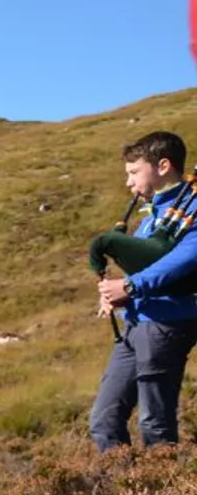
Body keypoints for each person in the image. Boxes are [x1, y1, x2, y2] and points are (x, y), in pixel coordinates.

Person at [89, 131, 197, 449]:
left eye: (134, 172)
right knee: (103, 421)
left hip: (168, 323)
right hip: (136, 324)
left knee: (154, 422)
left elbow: (183, 259)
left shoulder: (192, 207)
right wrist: (111, 292)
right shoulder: (153, 216)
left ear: (163, 166)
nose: (129, 182)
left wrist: (130, 286)